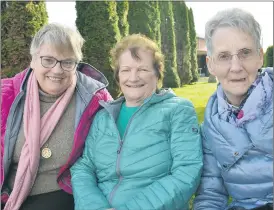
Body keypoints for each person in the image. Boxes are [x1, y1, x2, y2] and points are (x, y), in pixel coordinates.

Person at [70, 34, 203, 210]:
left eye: (142, 69)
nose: (133, 78)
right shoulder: (103, 117)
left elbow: (187, 172)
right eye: (125, 70)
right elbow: (84, 167)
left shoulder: (178, 110)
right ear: (118, 76)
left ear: (157, 74)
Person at [1, 23, 112, 210]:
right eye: (48, 60)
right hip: (9, 195)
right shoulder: (5, 95)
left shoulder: (96, 98)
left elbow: (113, 154)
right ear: (33, 60)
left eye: (67, 62)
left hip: (62, 194)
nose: (57, 70)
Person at [193, 8, 273, 210]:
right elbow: (211, 195)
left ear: (259, 57)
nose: (236, 67)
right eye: (224, 56)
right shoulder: (210, 127)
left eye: (245, 53)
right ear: (211, 65)